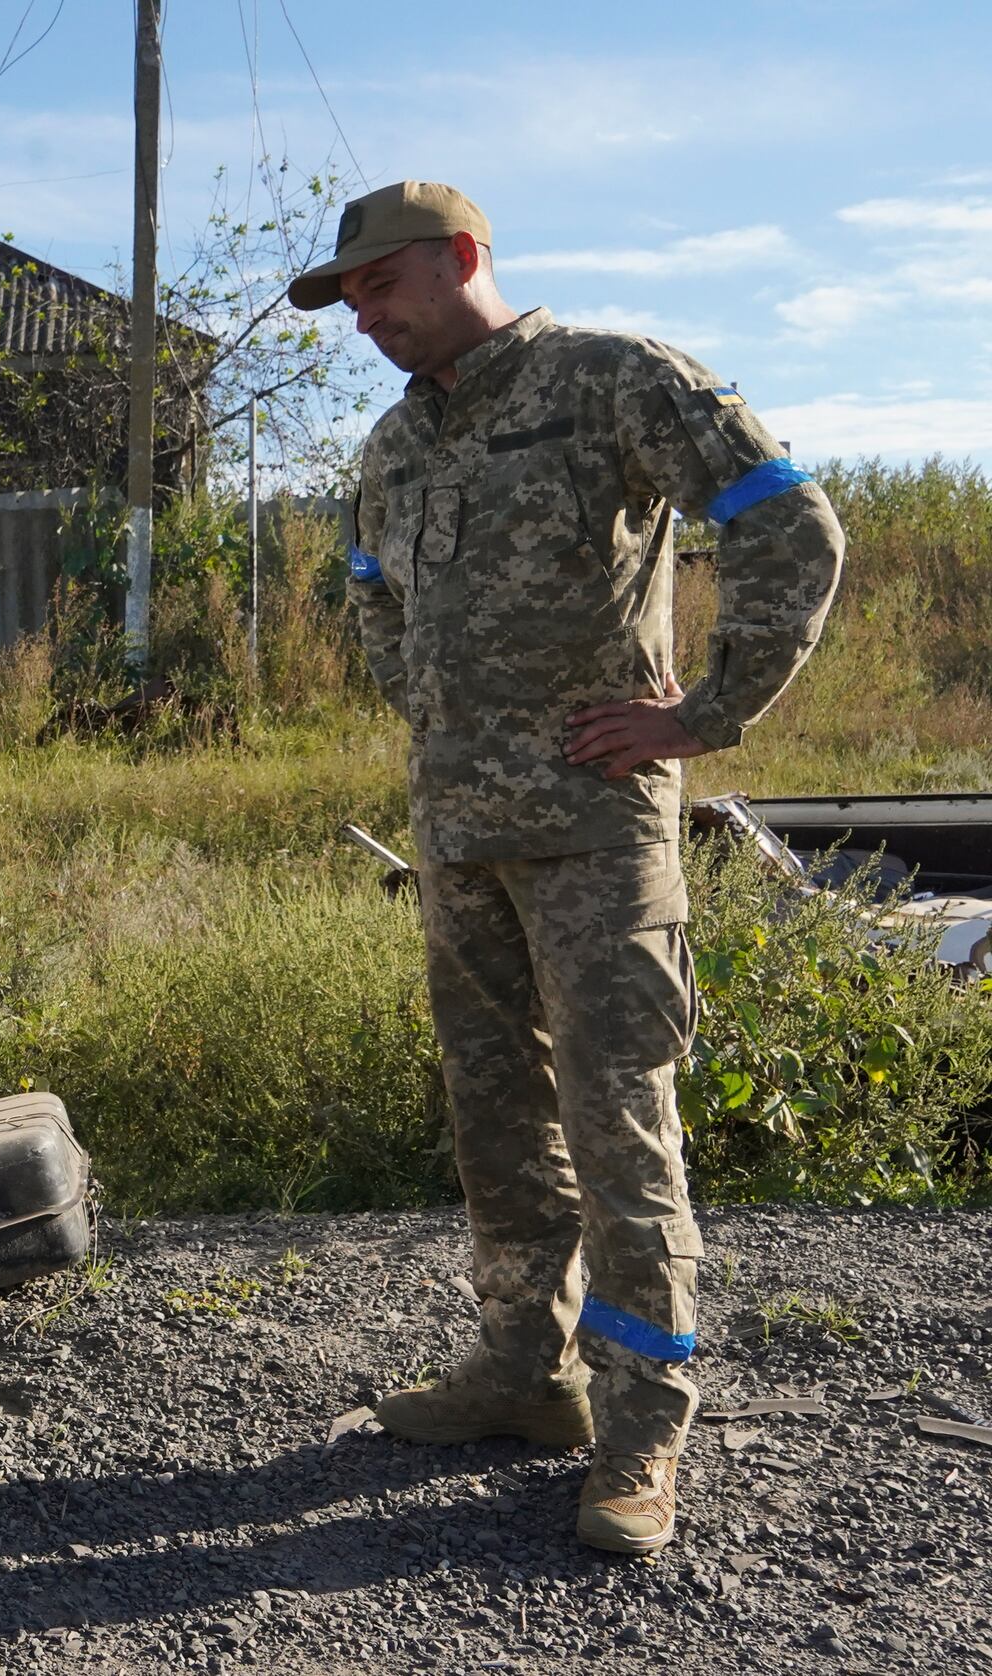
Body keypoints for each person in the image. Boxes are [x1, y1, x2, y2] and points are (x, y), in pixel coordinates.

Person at [287, 182, 843, 1553]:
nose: (364, 314)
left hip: (599, 839)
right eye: (348, 297)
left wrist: (701, 717)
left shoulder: (612, 382)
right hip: (460, 838)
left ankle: (641, 1432)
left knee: (618, 1133)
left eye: (381, 283)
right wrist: (432, 715)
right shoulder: (395, 441)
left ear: (464, 257)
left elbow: (793, 525)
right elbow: (370, 585)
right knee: (499, 1132)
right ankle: (523, 1377)